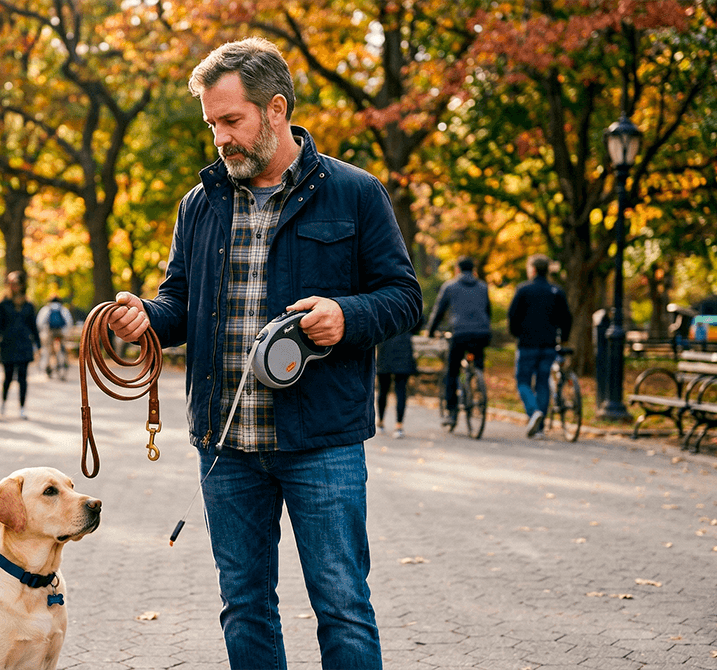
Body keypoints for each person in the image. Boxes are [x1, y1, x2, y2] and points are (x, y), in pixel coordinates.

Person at [107, 38, 421, 670]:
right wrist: (148, 318)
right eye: (211, 124)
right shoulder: (200, 204)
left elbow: (404, 297)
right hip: (226, 448)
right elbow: (179, 303)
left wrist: (346, 314)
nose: (220, 138)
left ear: (275, 110)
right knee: (245, 605)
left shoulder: (355, 193)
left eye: (231, 120)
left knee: (342, 606)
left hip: (323, 443)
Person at [508, 254, 573, 436]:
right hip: (549, 344)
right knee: (543, 382)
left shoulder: (523, 289)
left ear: (533, 269)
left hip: (527, 343)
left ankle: (533, 411)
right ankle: (540, 427)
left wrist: (516, 334)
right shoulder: (556, 290)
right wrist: (564, 338)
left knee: (523, 381)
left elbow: (513, 316)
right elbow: (566, 318)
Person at [426, 256, 491, 428]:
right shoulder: (483, 287)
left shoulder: (450, 286)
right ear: (473, 271)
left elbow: (438, 312)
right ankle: (477, 387)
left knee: (452, 371)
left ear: (457, 270)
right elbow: (487, 311)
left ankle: (451, 411)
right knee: (477, 364)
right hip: (481, 334)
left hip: (460, 334)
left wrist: (431, 332)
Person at [0, 271, 38, 419]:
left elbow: (33, 326)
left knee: (23, 378)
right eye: (11, 284)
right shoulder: (3, 304)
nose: (13, 287)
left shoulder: (29, 305)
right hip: (8, 344)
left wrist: (39, 345)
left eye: (16, 283)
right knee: (8, 376)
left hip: (24, 344)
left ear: (22, 285)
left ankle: (22, 407)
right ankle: (3, 403)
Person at [376, 325, 418, 439]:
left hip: (385, 347)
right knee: (401, 390)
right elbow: (418, 320)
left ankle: (380, 422)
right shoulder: (407, 306)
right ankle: (399, 426)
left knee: (383, 389)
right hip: (404, 349)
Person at [35, 294, 74, 377]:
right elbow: (69, 322)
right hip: (61, 332)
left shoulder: (46, 309)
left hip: (49, 332)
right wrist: (67, 332)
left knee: (47, 350)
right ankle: (63, 363)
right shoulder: (63, 309)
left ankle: (48, 366)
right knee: (62, 348)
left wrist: (42, 332)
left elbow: (39, 322)